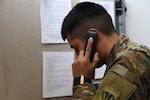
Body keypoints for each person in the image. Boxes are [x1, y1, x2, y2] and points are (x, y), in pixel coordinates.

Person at [61, 2, 150, 100]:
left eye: (76, 48)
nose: (78, 56)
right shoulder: (130, 55)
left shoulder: (126, 62)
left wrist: (81, 79)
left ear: (92, 37)